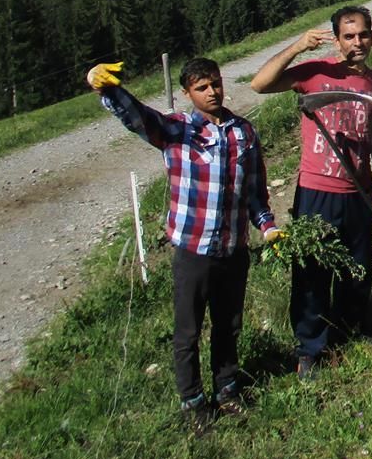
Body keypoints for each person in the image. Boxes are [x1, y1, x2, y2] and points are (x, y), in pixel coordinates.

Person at [87, 58, 280, 429]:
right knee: (188, 330)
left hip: (233, 248)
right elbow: (138, 117)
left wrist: (267, 227)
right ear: (188, 94)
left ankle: (227, 390)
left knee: (229, 324)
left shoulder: (244, 133)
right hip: (193, 249)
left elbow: (255, 191)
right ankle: (193, 401)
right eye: (202, 88)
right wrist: (107, 89)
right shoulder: (176, 131)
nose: (212, 92)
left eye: (216, 84)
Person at [250, 6, 372, 375]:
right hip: (316, 189)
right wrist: (298, 46)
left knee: (358, 266)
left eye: (363, 35)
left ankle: (349, 331)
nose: (357, 43)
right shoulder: (316, 73)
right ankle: (309, 347)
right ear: (337, 39)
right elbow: (259, 84)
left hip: (358, 190)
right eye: (348, 36)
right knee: (312, 268)